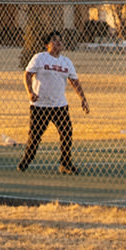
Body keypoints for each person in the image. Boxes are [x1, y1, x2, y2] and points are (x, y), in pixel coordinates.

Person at [18, 30, 89, 174]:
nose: (58, 43)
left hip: (59, 106)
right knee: (35, 136)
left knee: (66, 133)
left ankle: (65, 163)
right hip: (40, 106)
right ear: (47, 44)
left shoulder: (66, 62)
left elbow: (74, 81)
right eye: (54, 40)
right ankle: (27, 159)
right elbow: (27, 75)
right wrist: (30, 92)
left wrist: (83, 99)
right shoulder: (39, 58)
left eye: (60, 40)